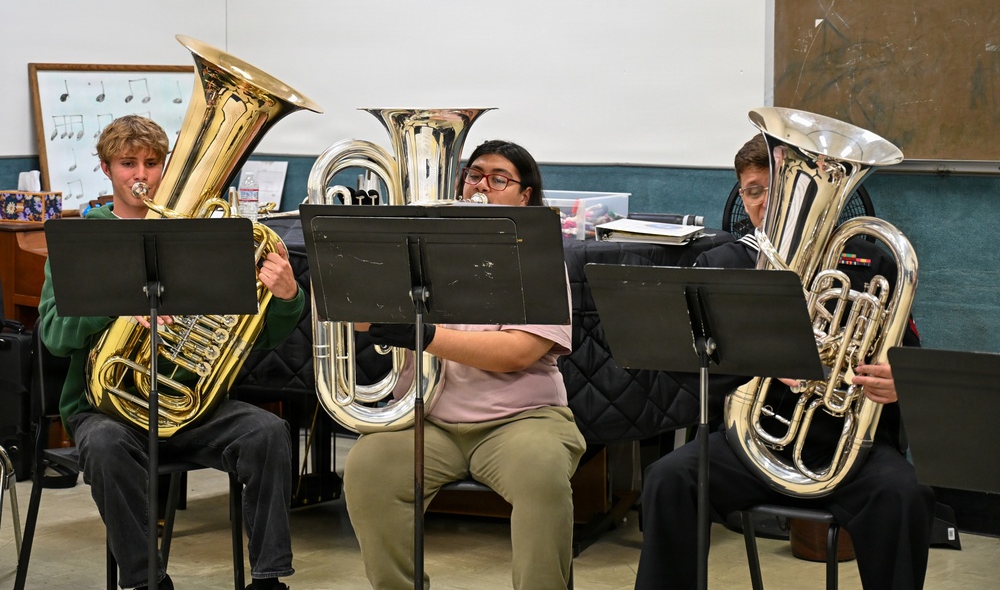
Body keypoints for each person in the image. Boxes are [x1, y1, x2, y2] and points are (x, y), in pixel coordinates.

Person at [634, 134, 935, 590]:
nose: (765, 203)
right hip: (749, 440)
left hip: (845, 448)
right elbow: (683, 369)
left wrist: (902, 381)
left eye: (776, 189)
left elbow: (908, 360)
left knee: (907, 496)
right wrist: (758, 361)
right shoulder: (722, 266)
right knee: (667, 480)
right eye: (752, 191)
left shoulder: (870, 260)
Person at [38, 115, 305, 590]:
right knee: (102, 446)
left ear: (166, 167)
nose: (141, 175)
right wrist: (116, 308)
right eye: (127, 163)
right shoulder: (84, 239)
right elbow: (55, 333)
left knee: (267, 432)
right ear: (106, 169)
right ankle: (146, 582)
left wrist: (287, 297)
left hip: (191, 402)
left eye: (151, 162)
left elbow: (258, 336)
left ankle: (269, 579)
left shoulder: (196, 235)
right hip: (107, 408)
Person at [343, 140, 585, 590]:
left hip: (520, 419)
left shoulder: (538, 257)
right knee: (367, 470)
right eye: (474, 175)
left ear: (524, 196)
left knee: (541, 472)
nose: (481, 186)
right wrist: (341, 272)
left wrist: (426, 335)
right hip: (426, 417)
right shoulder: (418, 250)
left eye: (498, 179)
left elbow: (518, 352)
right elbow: (359, 320)